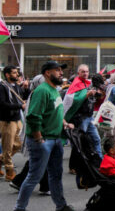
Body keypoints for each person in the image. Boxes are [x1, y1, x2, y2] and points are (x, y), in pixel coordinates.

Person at [13, 61, 75, 211]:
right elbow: (33, 116)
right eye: (58, 70)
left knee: (55, 175)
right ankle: (19, 208)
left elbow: (56, 111)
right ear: (48, 73)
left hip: (55, 140)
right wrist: (39, 138)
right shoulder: (42, 91)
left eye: (61, 70)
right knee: (34, 176)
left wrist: (65, 122)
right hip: (43, 140)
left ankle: (61, 206)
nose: (61, 73)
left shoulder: (54, 90)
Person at [0, 65, 30, 181]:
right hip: (6, 120)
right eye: (14, 73)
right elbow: (2, 104)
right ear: (7, 75)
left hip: (16, 118)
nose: (17, 75)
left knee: (20, 144)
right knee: (8, 147)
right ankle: (9, 172)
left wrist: (25, 89)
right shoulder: (1, 87)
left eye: (17, 73)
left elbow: (23, 99)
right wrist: (20, 106)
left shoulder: (16, 86)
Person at [64, 64, 103, 158]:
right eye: (83, 72)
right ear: (78, 73)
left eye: (87, 71)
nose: (85, 73)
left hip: (89, 116)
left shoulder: (89, 83)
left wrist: (97, 94)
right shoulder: (76, 84)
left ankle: (99, 162)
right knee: (79, 142)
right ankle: (77, 165)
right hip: (80, 118)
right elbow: (73, 100)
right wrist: (87, 94)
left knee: (96, 139)